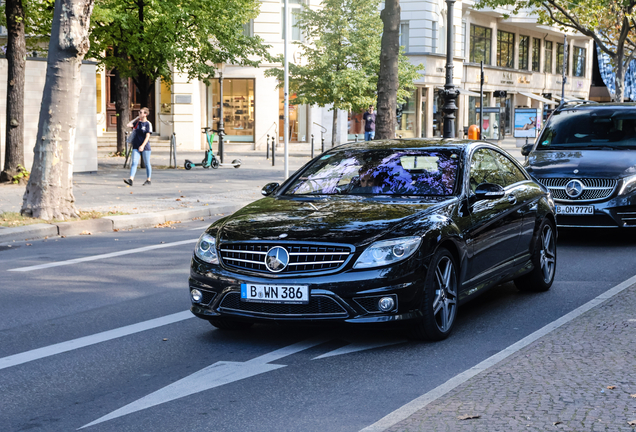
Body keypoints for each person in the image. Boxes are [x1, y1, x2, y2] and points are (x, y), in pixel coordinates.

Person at [124, 107, 152, 186]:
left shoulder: (148, 124)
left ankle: (148, 180)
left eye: (140, 112)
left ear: (145, 114)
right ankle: (131, 179)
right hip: (136, 146)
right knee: (134, 163)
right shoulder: (137, 123)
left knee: (147, 163)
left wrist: (142, 146)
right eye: (139, 112)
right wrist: (136, 118)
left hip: (145, 147)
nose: (139, 113)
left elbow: (147, 136)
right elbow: (128, 125)